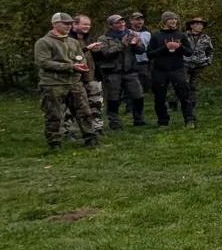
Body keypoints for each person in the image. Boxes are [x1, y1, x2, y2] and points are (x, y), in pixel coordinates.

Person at [34, 13, 98, 149]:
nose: (68, 26)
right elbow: (43, 62)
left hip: (74, 82)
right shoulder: (44, 42)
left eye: (70, 23)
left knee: (84, 112)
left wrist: (81, 65)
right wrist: (70, 66)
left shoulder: (73, 42)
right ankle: (54, 143)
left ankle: (91, 139)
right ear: (54, 24)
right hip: (53, 84)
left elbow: (81, 57)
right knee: (54, 115)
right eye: (65, 23)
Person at [94, 14, 146, 128]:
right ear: (111, 25)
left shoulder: (132, 34)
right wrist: (122, 45)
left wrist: (135, 45)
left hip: (130, 71)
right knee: (113, 98)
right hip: (113, 72)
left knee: (138, 96)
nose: (121, 24)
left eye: (122, 22)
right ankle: (114, 122)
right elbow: (106, 53)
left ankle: (139, 119)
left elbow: (141, 50)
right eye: (118, 23)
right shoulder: (104, 38)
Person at [147, 11, 197, 128]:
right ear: (164, 21)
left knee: (184, 95)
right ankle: (163, 121)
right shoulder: (156, 36)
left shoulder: (181, 35)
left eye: (175, 19)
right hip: (160, 70)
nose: (174, 21)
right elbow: (149, 54)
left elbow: (189, 52)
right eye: (171, 19)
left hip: (177, 69)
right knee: (159, 97)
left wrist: (180, 47)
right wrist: (165, 47)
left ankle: (189, 119)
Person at [66, 14, 107, 139]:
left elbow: (99, 59)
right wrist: (86, 49)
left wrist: (98, 51)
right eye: (84, 24)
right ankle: (68, 131)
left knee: (96, 104)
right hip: (74, 79)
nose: (87, 27)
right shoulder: (67, 40)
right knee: (72, 106)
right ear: (75, 24)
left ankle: (97, 128)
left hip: (92, 77)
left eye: (89, 25)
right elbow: (69, 58)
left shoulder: (89, 38)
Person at [184, 16, 214, 107]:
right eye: (197, 24)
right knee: (184, 84)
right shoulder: (184, 36)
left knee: (194, 86)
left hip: (199, 65)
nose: (200, 26)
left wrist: (208, 61)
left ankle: (192, 103)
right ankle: (178, 103)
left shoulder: (206, 38)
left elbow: (210, 51)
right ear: (191, 25)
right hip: (185, 63)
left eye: (201, 24)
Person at [128, 12, 152, 83]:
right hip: (131, 63)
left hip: (144, 63)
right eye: (137, 19)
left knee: (145, 83)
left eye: (142, 19)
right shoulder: (127, 32)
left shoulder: (148, 33)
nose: (140, 21)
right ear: (131, 21)